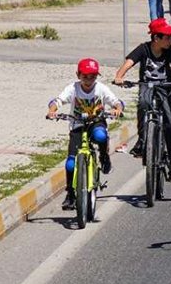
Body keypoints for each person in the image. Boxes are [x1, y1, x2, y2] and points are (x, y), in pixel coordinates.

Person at [113, 18, 171, 183]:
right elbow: (129, 63)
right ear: (156, 38)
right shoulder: (143, 49)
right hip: (147, 86)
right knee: (143, 104)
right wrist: (119, 76)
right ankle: (142, 140)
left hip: (166, 87)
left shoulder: (170, 51)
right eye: (168, 37)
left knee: (170, 122)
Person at [46, 58, 124, 209]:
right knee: (70, 164)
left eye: (92, 76)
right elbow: (57, 101)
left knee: (100, 136)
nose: (89, 80)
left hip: (96, 122)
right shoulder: (73, 89)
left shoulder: (101, 88)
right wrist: (52, 111)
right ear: (78, 75)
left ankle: (104, 157)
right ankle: (70, 194)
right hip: (77, 126)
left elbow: (116, 101)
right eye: (85, 76)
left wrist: (117, 108)